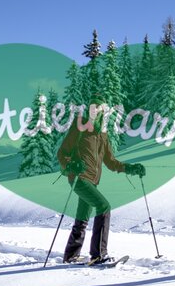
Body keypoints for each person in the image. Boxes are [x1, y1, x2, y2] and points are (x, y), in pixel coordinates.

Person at [58, 93, 145, 265]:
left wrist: (131, 168)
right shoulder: (79, 128)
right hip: (78, 177)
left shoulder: (103, 136)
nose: (97, 111)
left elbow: (111, 163)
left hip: (92, 181)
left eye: (101, 108)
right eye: (94, 107)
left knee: (83, 216)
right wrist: (70, 165)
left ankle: (71, 255)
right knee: (103, 206)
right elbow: (62, 153)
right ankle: (98, 254)